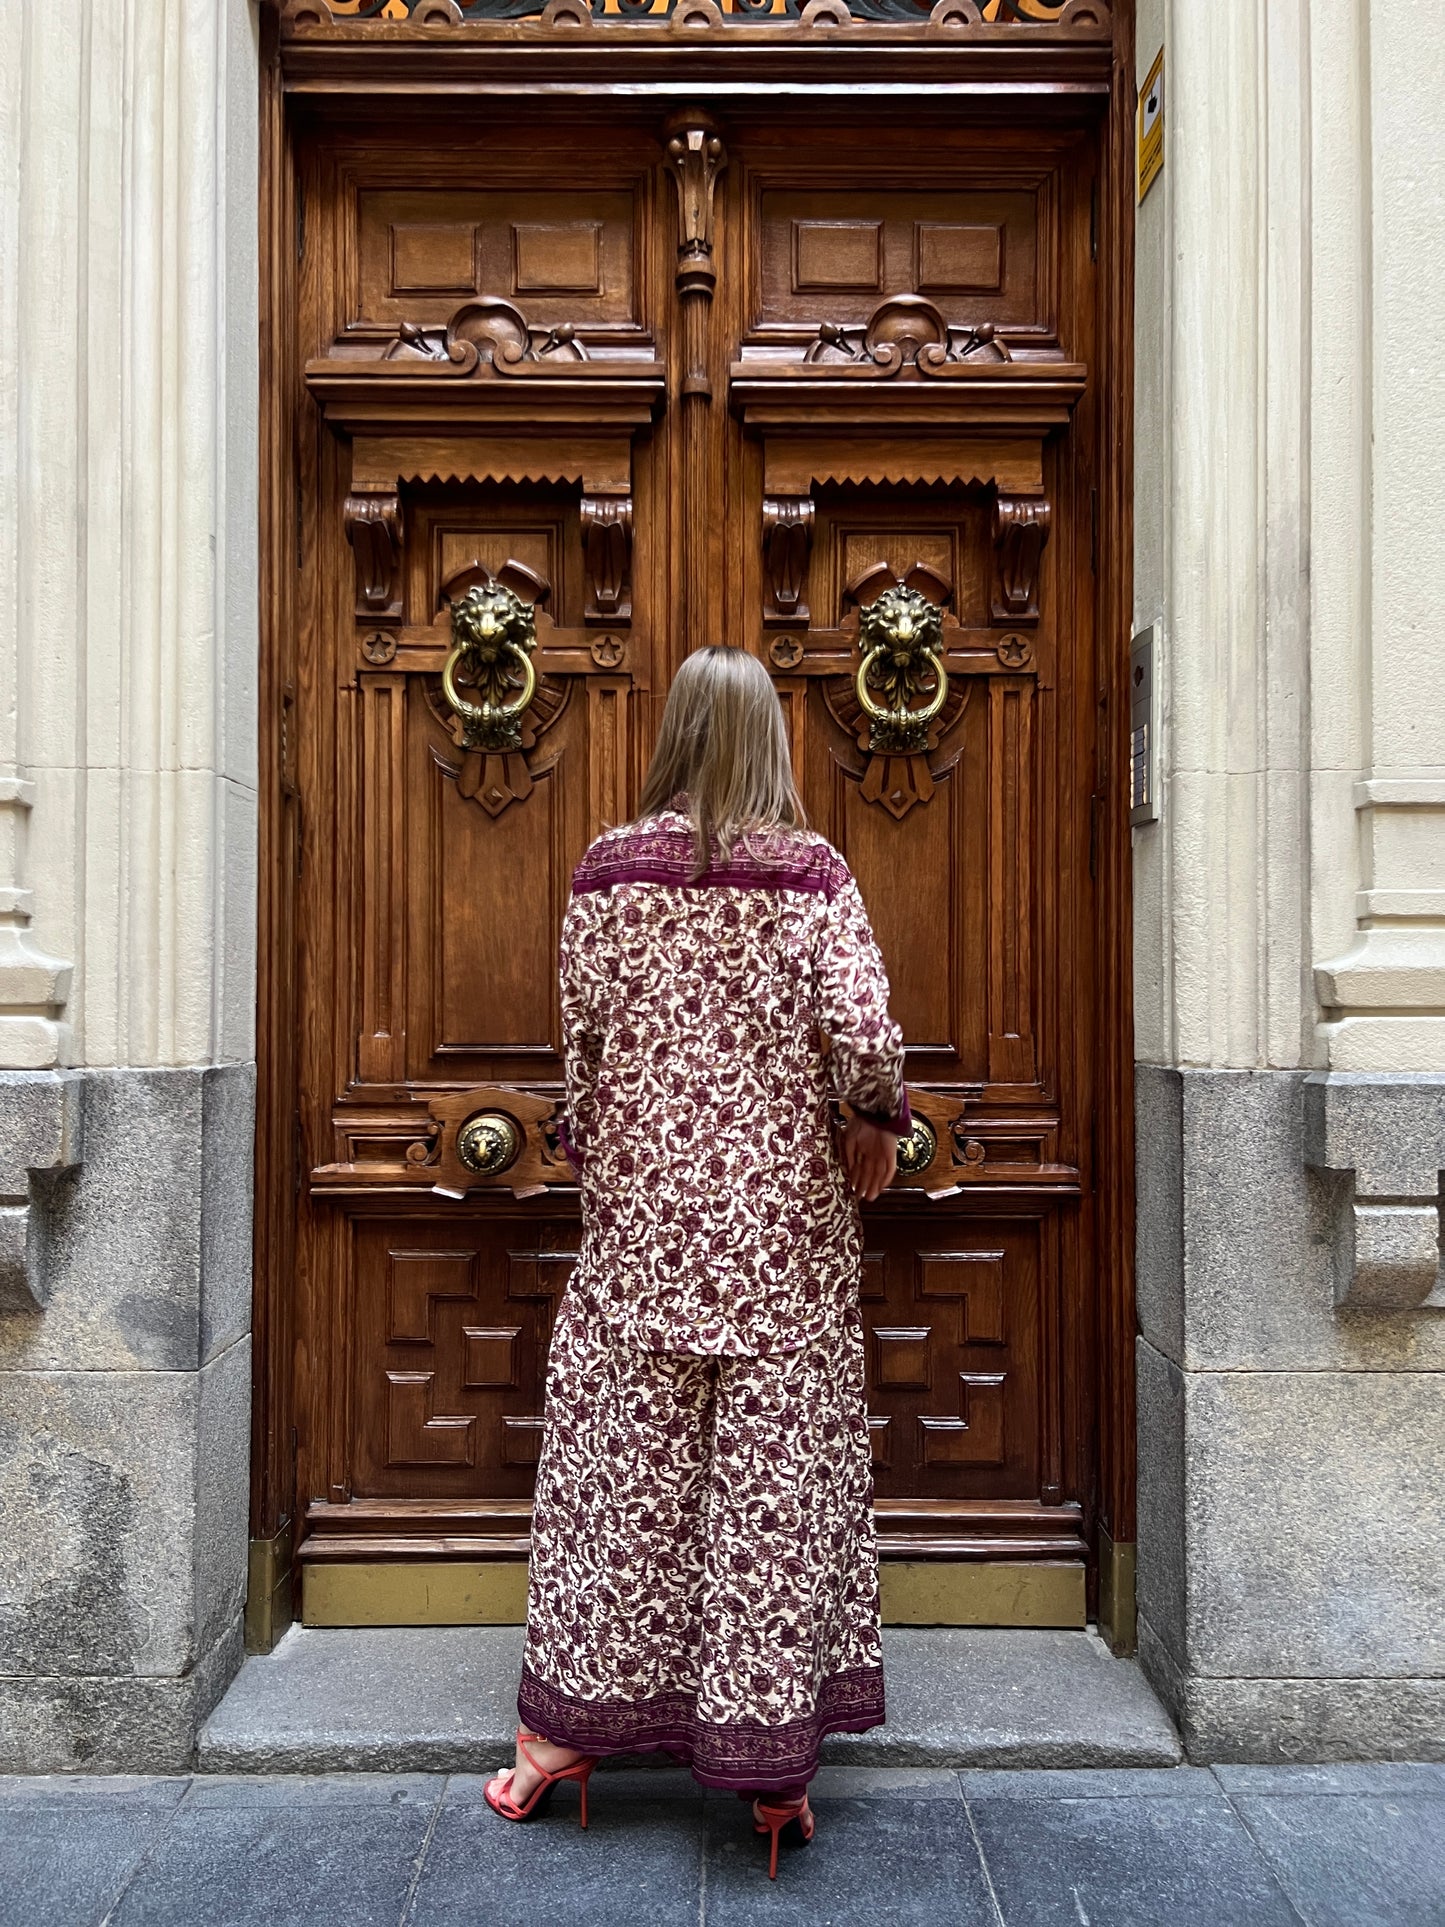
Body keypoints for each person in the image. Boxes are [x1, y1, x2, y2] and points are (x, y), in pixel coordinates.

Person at [484, 645, 909, 1877]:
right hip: (782, 1240)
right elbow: (866, 1032)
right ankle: (773, 1778)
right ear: (770, 739)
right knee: (774, 1486)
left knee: (624, 1482)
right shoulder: (813, 873)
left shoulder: (606, 872)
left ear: (672, 732)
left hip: (645, 1238)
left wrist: (585, 1138)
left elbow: (581, 1045)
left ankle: (553, 1746)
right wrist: (869, 1117)